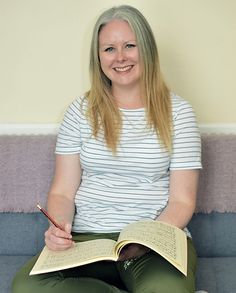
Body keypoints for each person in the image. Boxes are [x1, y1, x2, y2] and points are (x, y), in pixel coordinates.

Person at [12, 4, 201, 293]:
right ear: (98, 56)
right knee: (26, 286)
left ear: (147, 50)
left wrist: (143, 241)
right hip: (87, 240)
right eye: (109, 49)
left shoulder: (179, 113)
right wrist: (59, 227)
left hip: (153, 241)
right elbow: (62, 191)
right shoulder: (79, 111)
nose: (120, 57)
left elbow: (182, 201)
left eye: (129, 45)